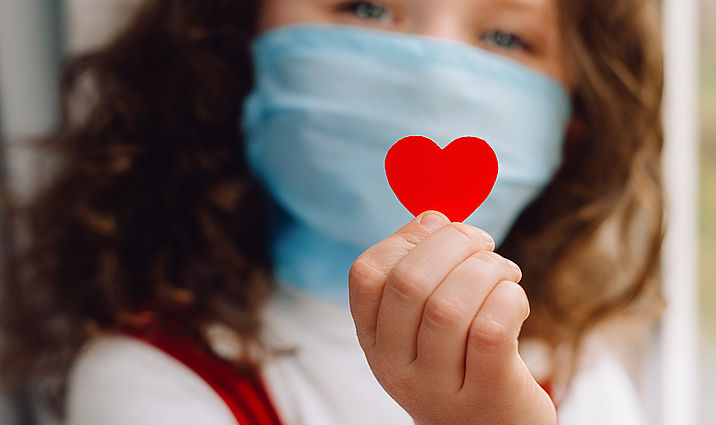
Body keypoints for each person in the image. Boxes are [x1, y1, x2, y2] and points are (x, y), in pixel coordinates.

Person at [0, 0, 665, 424]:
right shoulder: (150, 377)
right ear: (238, 47)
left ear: (573, 123)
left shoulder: (580, 375)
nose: (431, 67)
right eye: (369, 9)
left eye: (502, 35)